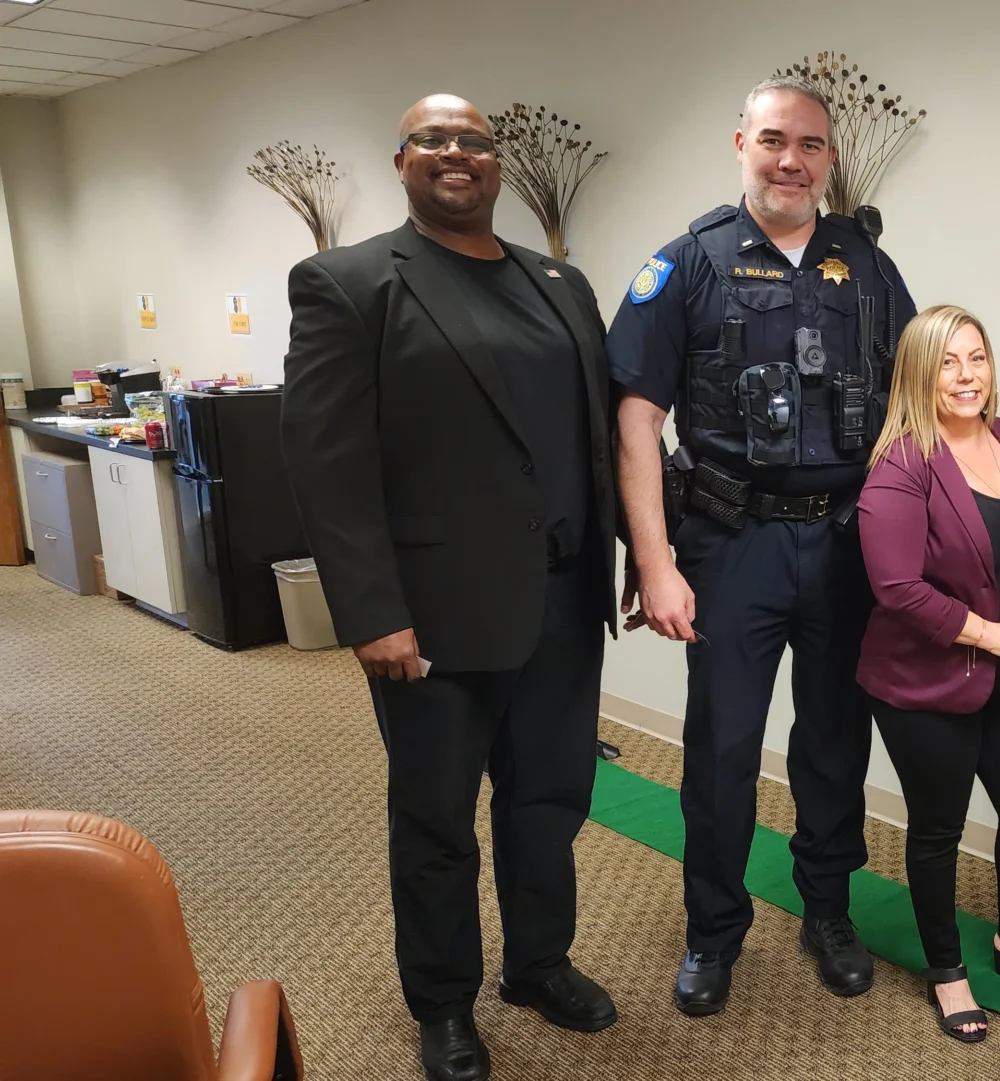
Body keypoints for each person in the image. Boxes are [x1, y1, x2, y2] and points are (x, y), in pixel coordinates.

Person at [281, 94, 621, 1081]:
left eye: (473, 139)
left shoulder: (559, 282)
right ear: (402, 161)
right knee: (436, 820)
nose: (456, 152)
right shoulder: (350, 283)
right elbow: (326, 464)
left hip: (562, 597)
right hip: (433, 614)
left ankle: (538, 963)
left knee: (549, 798)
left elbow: (595, 437)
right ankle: (443, 1003)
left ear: (496, 162)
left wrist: (643, 553)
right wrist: (372, 610)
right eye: (433, 140)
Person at [607, 76, 915, 1016]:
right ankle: (713, 930)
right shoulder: (686, 264)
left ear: (829, 159)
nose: (791, 161)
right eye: (774, 140)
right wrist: (655, 562)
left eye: (810, 145)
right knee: (723, 748)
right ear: (740, 143)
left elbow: (912, 405)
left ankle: (828, 910)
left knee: (834, 743)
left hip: (844, 544)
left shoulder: (868, 266)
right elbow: (634, 420)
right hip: (730, 541)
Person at [855, 305, 1000, 1042]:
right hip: (925, 686)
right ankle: (948, 970)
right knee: (939, 829)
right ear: (919, 375)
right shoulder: (902, 464)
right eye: (947, 362)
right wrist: (989, 633)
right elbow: (896, 587)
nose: (966, 376)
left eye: (976, 358)